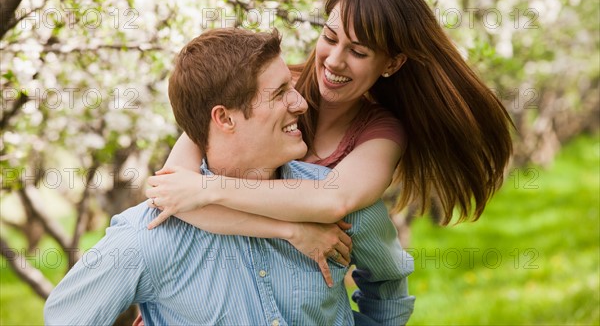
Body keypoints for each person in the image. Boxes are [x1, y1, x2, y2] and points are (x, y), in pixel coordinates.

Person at [44, 28, 415, 325]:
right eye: (281, 93)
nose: (302, 103)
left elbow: (388, 287)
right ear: (224, 118)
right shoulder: (148, 239)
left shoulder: (336, 205)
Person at [145, 0, 513, 233]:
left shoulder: (380, 133)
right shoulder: (263, 91)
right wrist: (293, 233)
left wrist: (208, 190)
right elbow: (171, 195)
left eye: (358, 51)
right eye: (330, 37)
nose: (335, 60)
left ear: (392, 63)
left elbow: (332, 200)